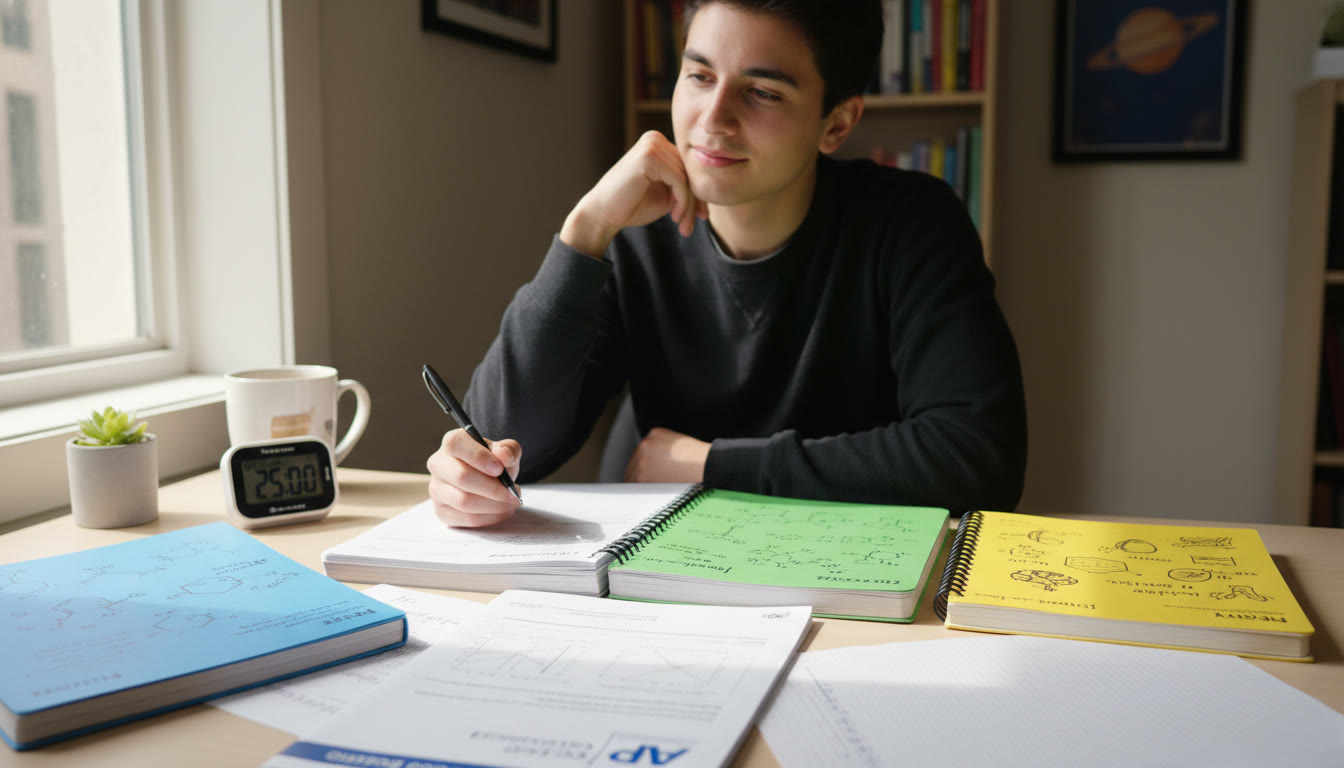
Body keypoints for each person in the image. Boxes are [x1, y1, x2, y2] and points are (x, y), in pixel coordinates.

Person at [427, 0, 1027, 527]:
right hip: (670, 578)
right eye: (699, 75)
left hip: (849, 584)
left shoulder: (910, 225)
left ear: (837, 123)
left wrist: (714, 465)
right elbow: (506, 447)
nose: (713, 119)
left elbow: (977, 459)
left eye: (762, 92)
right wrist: (583, 234)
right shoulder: (638, 237)